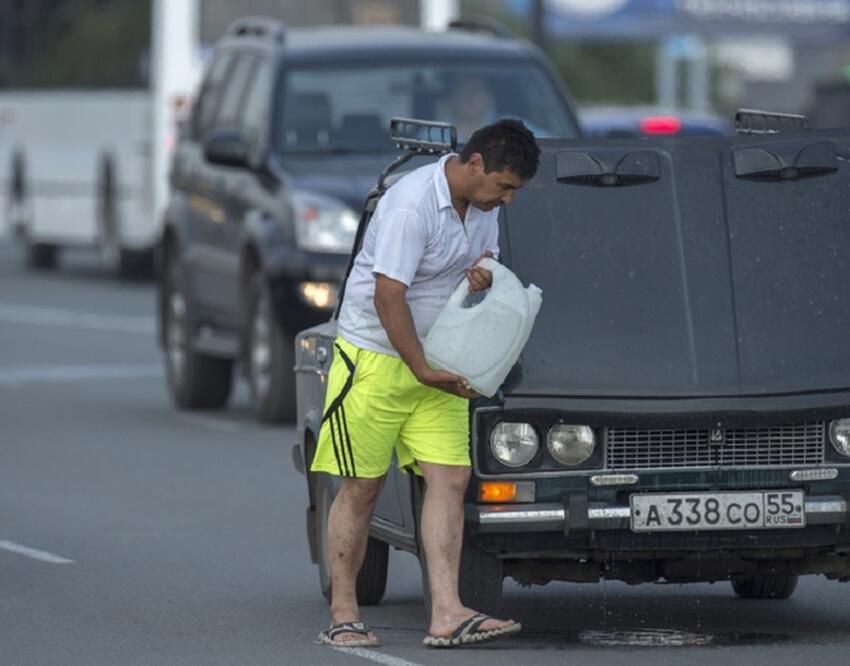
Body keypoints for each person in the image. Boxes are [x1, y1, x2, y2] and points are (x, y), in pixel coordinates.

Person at [312, 119, 540, 649]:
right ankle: (344, 614)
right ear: (476, 163)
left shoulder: (483, 208)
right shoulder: (411, 205)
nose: (507, 199)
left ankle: (447, 613)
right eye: (504, 186)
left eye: (514, 191)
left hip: (437, 361)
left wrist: (481, 274)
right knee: (362, 487)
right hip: (373, 360)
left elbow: (483, 261)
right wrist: (418, 367)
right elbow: (388, 294)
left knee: (451, 479)